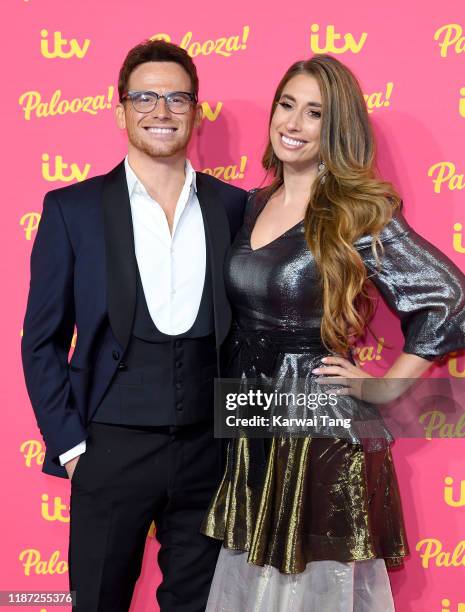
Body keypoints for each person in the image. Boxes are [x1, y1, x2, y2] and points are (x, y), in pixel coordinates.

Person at [201, 54, 465, 611]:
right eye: (287, 105)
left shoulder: (354, 212)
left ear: (337, 127)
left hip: (317, 429)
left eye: (314, 113)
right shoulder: (252, 203)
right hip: (252, 418)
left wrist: (385, 388)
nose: (292, 124)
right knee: (254, 586)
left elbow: (449, 298)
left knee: (308, 591)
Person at [21, 39, 246, 612]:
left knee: (200, 604)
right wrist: (72, 449)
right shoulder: (71, 210)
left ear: (196, 112)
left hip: (210, 453)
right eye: (145, 97)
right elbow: (41, 340)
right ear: (120, 109)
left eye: (177, 97)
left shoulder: (235, 207)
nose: (161, 110)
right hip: (108, 450)